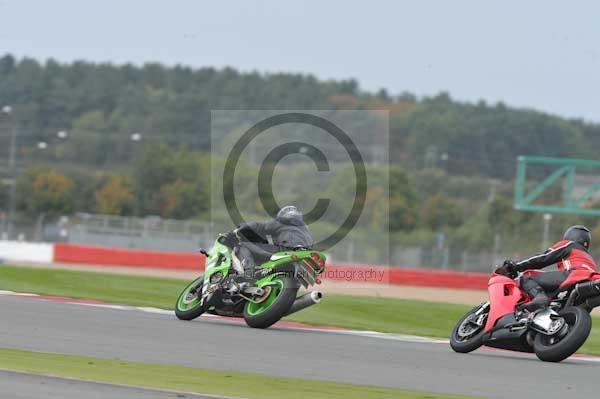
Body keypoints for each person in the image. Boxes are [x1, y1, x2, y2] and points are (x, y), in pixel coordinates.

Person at [495, 225, 597, 312]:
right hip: (589, 284)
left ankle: (539, 298)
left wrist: (515, 265)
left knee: (526, 277)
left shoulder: (568, 244)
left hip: (573, 275)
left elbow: (542, 259)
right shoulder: (590, 259)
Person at [232, 206, 313, 281]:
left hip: (286, 250)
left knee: (242, 245)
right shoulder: (305, 228)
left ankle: (248, 273)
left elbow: (261, 226)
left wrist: (241, 227)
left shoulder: (283, 221)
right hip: (304, 254)